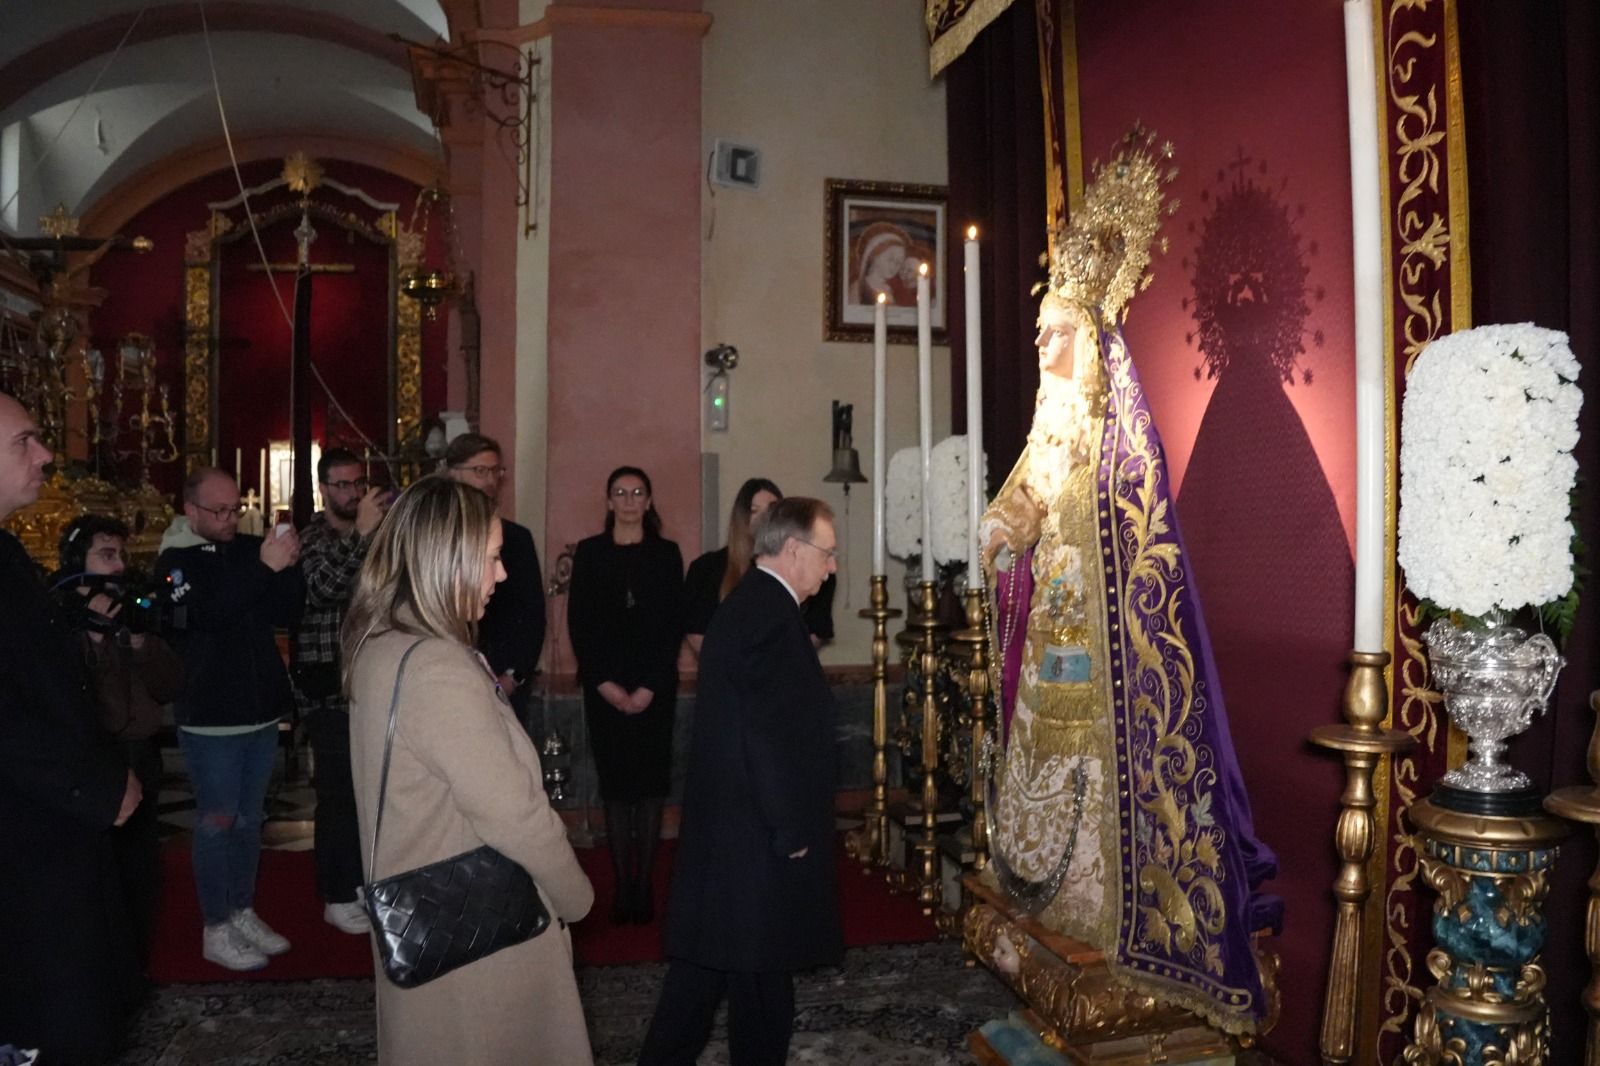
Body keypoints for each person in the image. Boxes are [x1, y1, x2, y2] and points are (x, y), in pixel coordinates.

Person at [976, 135, 1277, 1034]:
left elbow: (1137, 540)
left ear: (1090, 336)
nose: (1039, 340)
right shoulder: (1051, 423)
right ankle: (1058, 908)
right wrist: (999, 531)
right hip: (1051, 659)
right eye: (1039, 329)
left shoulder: (1115, 428)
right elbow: (1024, 497)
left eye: (1054, 329)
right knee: (1046, 774)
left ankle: (1112, 916)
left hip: (1104, 659)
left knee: (1099, 779)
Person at [344, 475, 593, 1066]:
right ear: (444, 560)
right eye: (490, 558)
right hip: (478, 947)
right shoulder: (436, 667)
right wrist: (575, 896)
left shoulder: (382, 643)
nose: (501, 575)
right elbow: (513, 814)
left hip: (434, 921)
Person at [638, 497, 843, 1066]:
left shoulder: (758, 607)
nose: (831, 568)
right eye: (827, 555)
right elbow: (765, 736)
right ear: (794, 549)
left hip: (738, 839)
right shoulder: (764, 615)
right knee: (717, 988)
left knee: (739, 981)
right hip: (752, 839)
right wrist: (791, 828)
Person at [0, 391, 143, 1064]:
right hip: (26, 835)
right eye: (23, 441)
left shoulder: (5, 554)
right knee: (49, 1018)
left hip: (48, 822)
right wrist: (95, 786)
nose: (46, 454)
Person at [156, 468, 304, 972]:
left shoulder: (245, 550)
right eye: (218, 511)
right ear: (190, 510)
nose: (228, 519)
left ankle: (242, 909)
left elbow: (285, 609)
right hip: (211, 716)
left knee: (249, 821)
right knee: (218, 822)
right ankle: (214, 925)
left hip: (258, 710)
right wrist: (264, 568)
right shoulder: (174, 563)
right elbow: (209, 615)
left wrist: (289, 565)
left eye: (234, 509)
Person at [56, 513, 183, 970]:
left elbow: (170, 685)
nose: (117, 566)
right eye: (105, 555)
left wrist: (140, 643)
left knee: (142, 870)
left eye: (121, 556)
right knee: (99, 875)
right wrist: (91, 638)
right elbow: (67, 698)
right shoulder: (57, 619)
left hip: (142, 754)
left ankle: (136, 961)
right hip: (96, 762)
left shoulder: (131, 608)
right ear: (77, 560)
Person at [566, 466, 683, 924]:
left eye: (638, 492)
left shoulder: (667, 554)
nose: (630, 499)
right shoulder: (591, 554)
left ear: (649, 501)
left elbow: (672, 624)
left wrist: (650, 686)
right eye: (621, 492)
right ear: (609, 501)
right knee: (616, 788)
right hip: (605, 686)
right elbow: (581, 624)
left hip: (655, 687)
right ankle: (621, 885)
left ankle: (644, 884)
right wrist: (607, 685)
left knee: (651, 787)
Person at [291, 448, 387, 935]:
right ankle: (335, 892)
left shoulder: (377, 536)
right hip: (325, 683)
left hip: (371, 678)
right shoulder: (310, 536)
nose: (351, 493)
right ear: (323, 488)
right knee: (336, 791)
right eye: (341, 485)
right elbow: (325, 587)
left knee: (370, 788)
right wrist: (365, 534)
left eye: (357, 484)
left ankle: (365, 884)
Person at [445, 433, 547, 737]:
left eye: (495, 471)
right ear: (452, 473)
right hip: (450, 676)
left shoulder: (516, 539)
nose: (490, 480)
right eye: (480, 471)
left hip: (504, 679)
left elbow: (532, 614)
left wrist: (513, 676)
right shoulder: (435, 538)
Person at [682, 476, 835, 656]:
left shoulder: (813, 568)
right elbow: (697, 634)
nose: (763, 517)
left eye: (771, 509)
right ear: (741, 518)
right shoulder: (707, 568)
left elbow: (815, 630)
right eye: (754, 511)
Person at [850, 222, 910, 306]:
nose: (895, 266)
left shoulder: (891, 290)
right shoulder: (858, 289)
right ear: (875, 256)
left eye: (899, 262)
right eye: (890, 259)